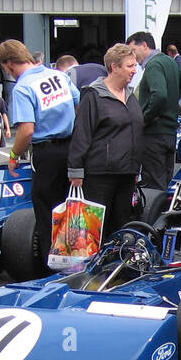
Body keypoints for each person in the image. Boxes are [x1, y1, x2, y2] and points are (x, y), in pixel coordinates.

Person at [0, 37, 80, 273]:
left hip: (46, 152)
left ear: (9, 65)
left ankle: (51, 269)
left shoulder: (23, 87)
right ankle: (76, 260)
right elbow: (78, 103)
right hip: (72, 147)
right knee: (71, 205)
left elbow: (27, 130)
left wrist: (13, 154)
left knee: (47, 212)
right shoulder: (59, 75)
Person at [67, 43, 143, 242]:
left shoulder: (131, 95)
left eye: (135, 65)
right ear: (114, 67)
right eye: (130, 66)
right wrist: (76, 170)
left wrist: (136, 169)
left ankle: (117, 266)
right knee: (96, 229)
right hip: (100, 174)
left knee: (121, 226)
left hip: (126, 173)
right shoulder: (94, 95)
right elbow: (81, 134)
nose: (134, 70)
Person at [129, 29, 181, 212]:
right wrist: (172, 104)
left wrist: (144, 118)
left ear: (144, 45)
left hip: (154, 134)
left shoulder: (154, 65)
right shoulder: (169, 62)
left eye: (133, 51)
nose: (133, 57)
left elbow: (159, 95)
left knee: (154, 187)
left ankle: (153, 227)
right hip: (169, 133)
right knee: (164, 183)